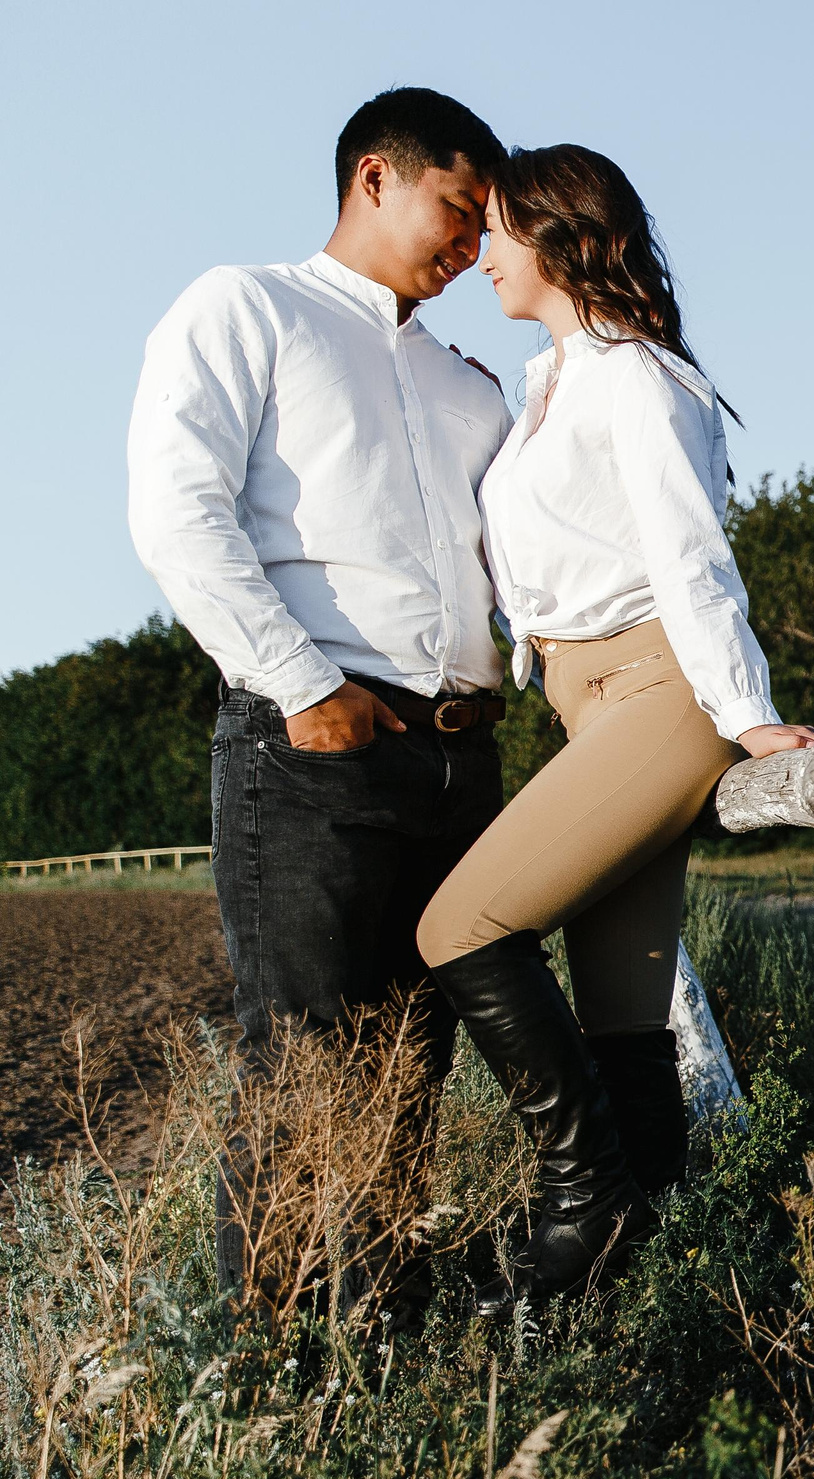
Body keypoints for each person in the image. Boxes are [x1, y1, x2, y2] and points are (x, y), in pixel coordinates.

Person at [128, 87, 514, 1318]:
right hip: (314, 743)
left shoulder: (473, 387)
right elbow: (179, 514)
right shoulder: (246, 306)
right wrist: (304, 687)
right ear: (374, 179)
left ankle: (381, 1357)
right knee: (303, 1071)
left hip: (462, 763)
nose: (470, 247)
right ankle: (274, 1381)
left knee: (409, 1075)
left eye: (483, 228)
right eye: (457, 212)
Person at [416, 143, 814, 1318]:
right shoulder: (546, 383)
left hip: (661, 694)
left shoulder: (639, 378)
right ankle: (648, 1275)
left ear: (555, 235)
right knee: (622, 1019)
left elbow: (689, 557)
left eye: (494, 230)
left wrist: (746, 719)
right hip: (586, 705)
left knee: (461, 929)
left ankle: (579, 1202)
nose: (480, 254)